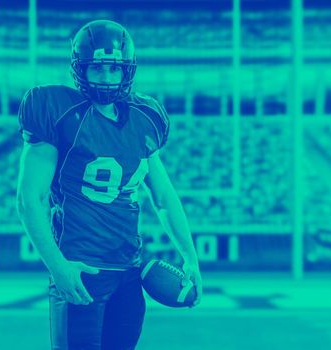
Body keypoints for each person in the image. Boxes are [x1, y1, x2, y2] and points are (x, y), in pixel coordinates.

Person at [16, 19, 202, 350]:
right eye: (97, 69)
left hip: (128, 271)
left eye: (114, 70)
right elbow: (31, 197)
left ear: (126, 71)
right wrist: (57, 266)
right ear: (80, 70)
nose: (106, 78)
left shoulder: (145, 118)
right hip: (81, 268)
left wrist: (190, 256)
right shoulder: (58, 111)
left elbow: (163, 197)